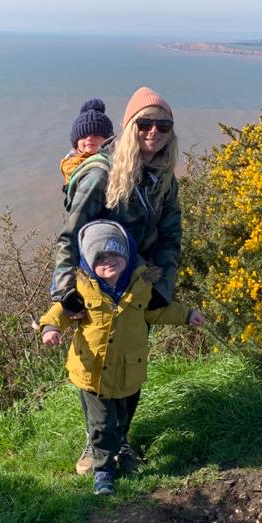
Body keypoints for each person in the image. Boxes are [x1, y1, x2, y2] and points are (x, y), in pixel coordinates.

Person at [50, 86, 183, 475]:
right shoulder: (100, 176)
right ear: (129, 127)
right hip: (97, 290)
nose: (154, 132)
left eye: (163, 125)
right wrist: (65, 293)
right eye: (145, 124)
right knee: (96, 367)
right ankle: (96, 447)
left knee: (131, 364)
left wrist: (162, 289)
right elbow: (69, 237)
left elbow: (170, 238)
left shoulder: (163, 178)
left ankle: (119, 440)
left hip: (139, 289)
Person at [40, 220, 204, 495]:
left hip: (130, 370)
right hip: (93, 373)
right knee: (102, 424)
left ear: (127, 253)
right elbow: (60, 312)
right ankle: (103, 471)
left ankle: (122, 446)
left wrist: (187, 315)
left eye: (115, 252)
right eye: (100, 257)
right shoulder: (81, 288)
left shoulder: (141, 285)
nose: (109, 261)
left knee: (123, 418)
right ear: (88, 261)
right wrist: (50, 328)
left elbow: (157, 311)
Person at [59, 98, 114, 187]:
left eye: (96, 135)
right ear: (76, 143)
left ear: (107, 140)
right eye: (84, 136)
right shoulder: (69, 164)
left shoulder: (114, 161)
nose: (89, 138)